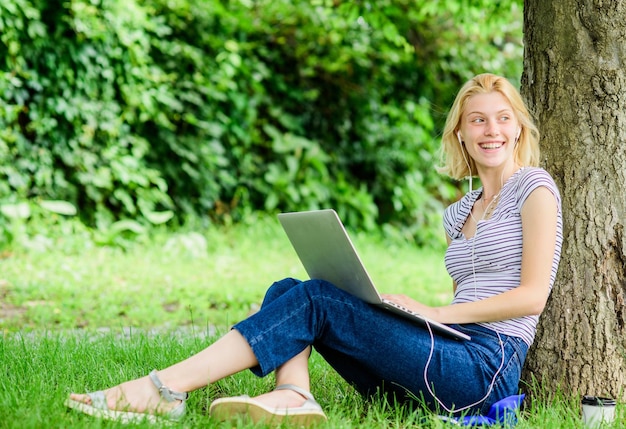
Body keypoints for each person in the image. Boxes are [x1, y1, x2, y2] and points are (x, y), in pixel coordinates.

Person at [65, 73, 563, 425]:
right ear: (460, 132)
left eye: (501, 118)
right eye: (477, 120)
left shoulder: (534, 189)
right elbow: (466, 297)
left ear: (518, 127)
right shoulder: (458, 213)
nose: (490, 130)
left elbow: (532, 296)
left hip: (486, 369)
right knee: (288, 290)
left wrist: (433, 311)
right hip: (447, 357)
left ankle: (162, 390)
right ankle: (294, 394)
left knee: (316, 299)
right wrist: (409, 317)